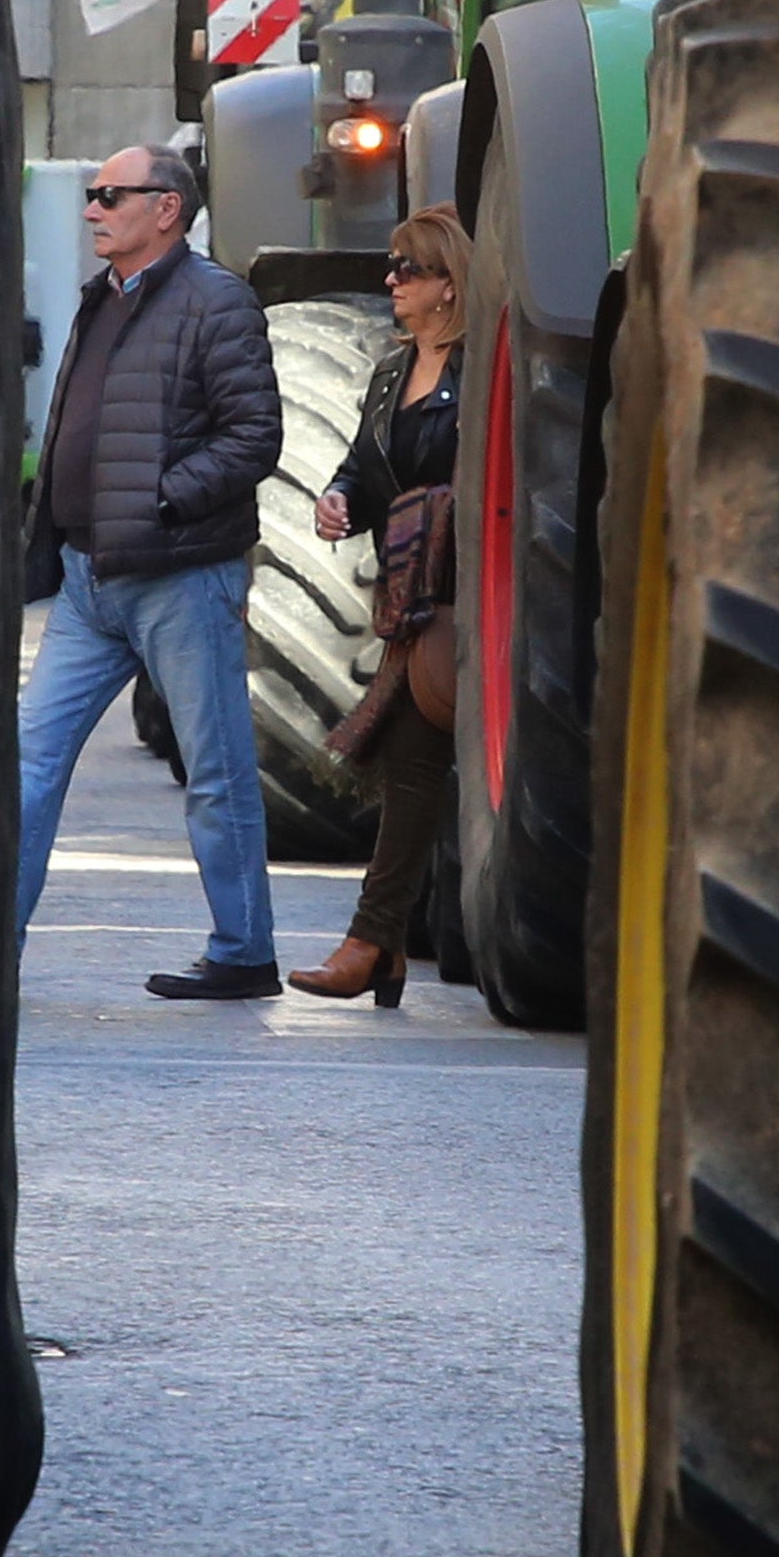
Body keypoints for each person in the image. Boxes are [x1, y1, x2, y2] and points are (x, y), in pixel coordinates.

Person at [12, 135, 287, 997]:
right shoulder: (104, 298)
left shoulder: (218, 303)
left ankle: (244, 953)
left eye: (109, 193)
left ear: (166, 208)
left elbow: (254, 436)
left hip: (180, 576)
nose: (91, 208)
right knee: (26, 762)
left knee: (215, 773)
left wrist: (164, 500)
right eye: (90, 194)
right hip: (91, 583)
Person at [303, 213, 468, 1009]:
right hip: (409, 596)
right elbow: (363, 469)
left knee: (410, 762)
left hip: (467, 594)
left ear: (448, 282)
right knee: (411, 763)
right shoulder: (388, 371)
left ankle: (373, 941)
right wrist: (338, 498)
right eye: (391, 267)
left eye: (407, 268)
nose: (391, 281)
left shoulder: (481, 370)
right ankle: (384, 945)